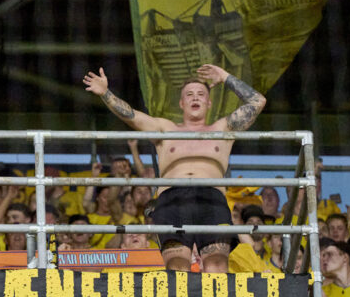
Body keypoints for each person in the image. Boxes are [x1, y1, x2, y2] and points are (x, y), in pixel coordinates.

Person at [82, 64, 265, 259]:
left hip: (212, 199)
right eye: (189, 94)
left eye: (201, 94)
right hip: (172, 199)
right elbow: (132, 116)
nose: (195, 97)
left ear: (209, 103)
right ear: (181, 103)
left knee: (217, 265)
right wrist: (106, 93)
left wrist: (225, 77)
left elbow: (258, 101)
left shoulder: (223, 129)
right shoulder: (165, 128)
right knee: (176, 267)